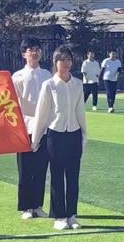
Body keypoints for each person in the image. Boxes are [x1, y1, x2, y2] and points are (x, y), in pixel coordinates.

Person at [31, 46, 87, 231]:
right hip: (55, 134)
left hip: (74, 133)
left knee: (73, 177)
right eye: (62, 60)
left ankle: (72, 214)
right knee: (57, 176)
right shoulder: (49, 85)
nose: (66, 63)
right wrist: (36, 138)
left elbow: (80, 111)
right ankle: (60, 216)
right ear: (55, 63)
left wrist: (84, 135)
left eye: (69, 59)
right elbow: (42, 113)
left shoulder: (78, 84)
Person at [12, 37, 51, 220]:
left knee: (41, 168)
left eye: (37, 49)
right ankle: (26, 207)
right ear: (24, 54)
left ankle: (37, 205)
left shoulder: (47, 76)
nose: (34, 53)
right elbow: (13, 104)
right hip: (25, 127)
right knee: (25, 169)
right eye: (30, 49)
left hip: (44, 127)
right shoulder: (17, 76)